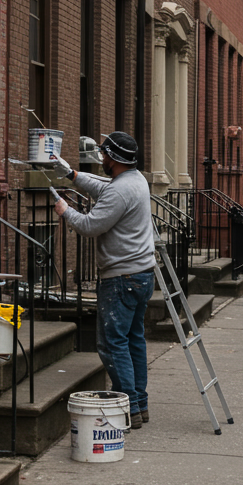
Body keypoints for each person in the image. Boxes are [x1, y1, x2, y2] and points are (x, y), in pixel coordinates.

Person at [52, 132, 156, 429]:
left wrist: (65, 211)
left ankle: (128, 409)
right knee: (133, 340)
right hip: (142, 274)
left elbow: (90, 225)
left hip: (121, 278)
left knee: (112, 344)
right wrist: (71, 174)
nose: (101, 158)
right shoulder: (135, 181)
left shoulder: (120, 191)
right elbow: (103, 188)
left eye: (104, 154)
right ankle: (140, 405)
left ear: (114, 158)